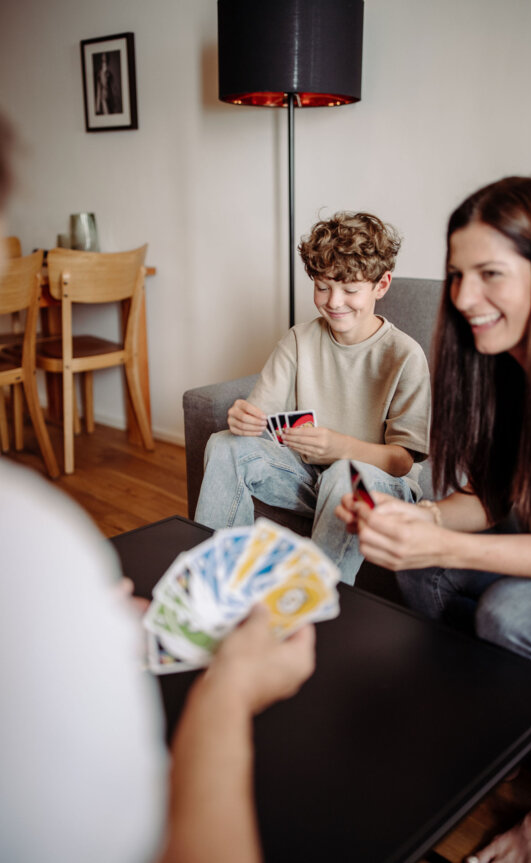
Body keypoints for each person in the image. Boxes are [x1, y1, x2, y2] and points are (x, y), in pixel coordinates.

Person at [0, 111, 315, 863]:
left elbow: (408, 454)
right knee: (231, 443)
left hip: (349, 465)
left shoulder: (37, 540)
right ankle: (214, 575)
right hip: (281, 465)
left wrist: (68, 613)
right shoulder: (34, 536)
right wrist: (231, 688)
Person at [336, 175, 531, 863]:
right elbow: (498, 494)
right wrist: (420, 517)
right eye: (456, 275)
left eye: (490, 273)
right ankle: (477, 733)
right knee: (427, 566)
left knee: (511, 614)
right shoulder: (501, 361)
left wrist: (442, 543)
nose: (464, 298)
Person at [195, 212, 431, 584]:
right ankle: (216, 583)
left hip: (379, 485)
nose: (334, 302)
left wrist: (340, 447)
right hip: (307, 477)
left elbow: (402, 461)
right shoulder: (299, 340)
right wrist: (246, 419)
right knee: (224, 445)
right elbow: (262, 419)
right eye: (322, 287)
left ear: (381, 285)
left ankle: (312, 604)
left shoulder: (404, 355)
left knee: (343, 472)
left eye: (350, 290)